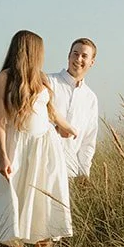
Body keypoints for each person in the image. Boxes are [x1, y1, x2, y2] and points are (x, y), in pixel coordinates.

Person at [0, 30, 77, 247]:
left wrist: (66, 127)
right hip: (16, 148)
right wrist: (3, 157)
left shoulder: (41, 79)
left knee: (44, 205)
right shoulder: (2, 79)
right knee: (14, 206)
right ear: (29, 50)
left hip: (44, 150)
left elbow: (50, 112)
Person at [48, 37, 99, 177]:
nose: (78, 59)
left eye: (84, 56)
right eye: (75, 54)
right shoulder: (49, 82)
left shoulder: (90, 98)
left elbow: (88, 140)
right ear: (68, 56)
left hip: (70, 172)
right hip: (42, 166)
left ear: (92, 62)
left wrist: (84, 172)